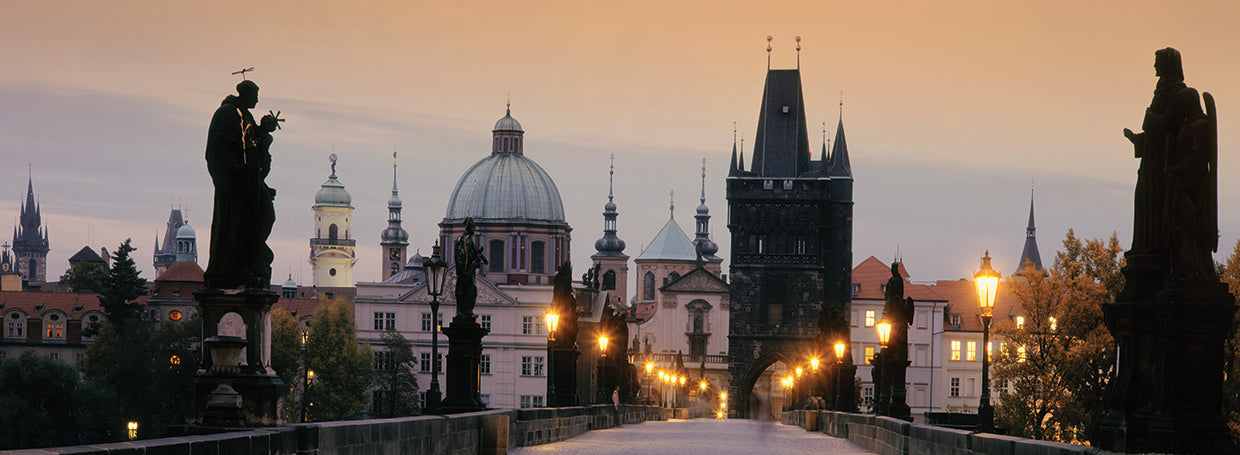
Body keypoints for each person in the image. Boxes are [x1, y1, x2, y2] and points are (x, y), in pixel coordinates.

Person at [204, 80, 279, 289]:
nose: (257, 100)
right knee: (240, 222)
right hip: (235, 183)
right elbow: (217, 149)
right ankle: (238, 264)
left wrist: (264, 130)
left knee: (265, 215)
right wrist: (234, 169)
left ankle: (252, 258)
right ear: (246, 94)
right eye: (255, 96)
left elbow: (252, 143)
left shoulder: (245, 115)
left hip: (249, 181)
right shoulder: (227, 113)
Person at [453, 217, 488, 316]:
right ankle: (461, 310)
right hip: (464, 270)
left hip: (470, 270)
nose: (474, 230)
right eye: (472, 227)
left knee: (472, 290)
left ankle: (468, 309)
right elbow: (459, 256)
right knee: (462, 290)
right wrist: (462, 270)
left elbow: (471, 254)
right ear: (468, 227)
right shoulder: (462, 239)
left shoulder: (469, 240)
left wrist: (477, 256)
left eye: (474, 227)